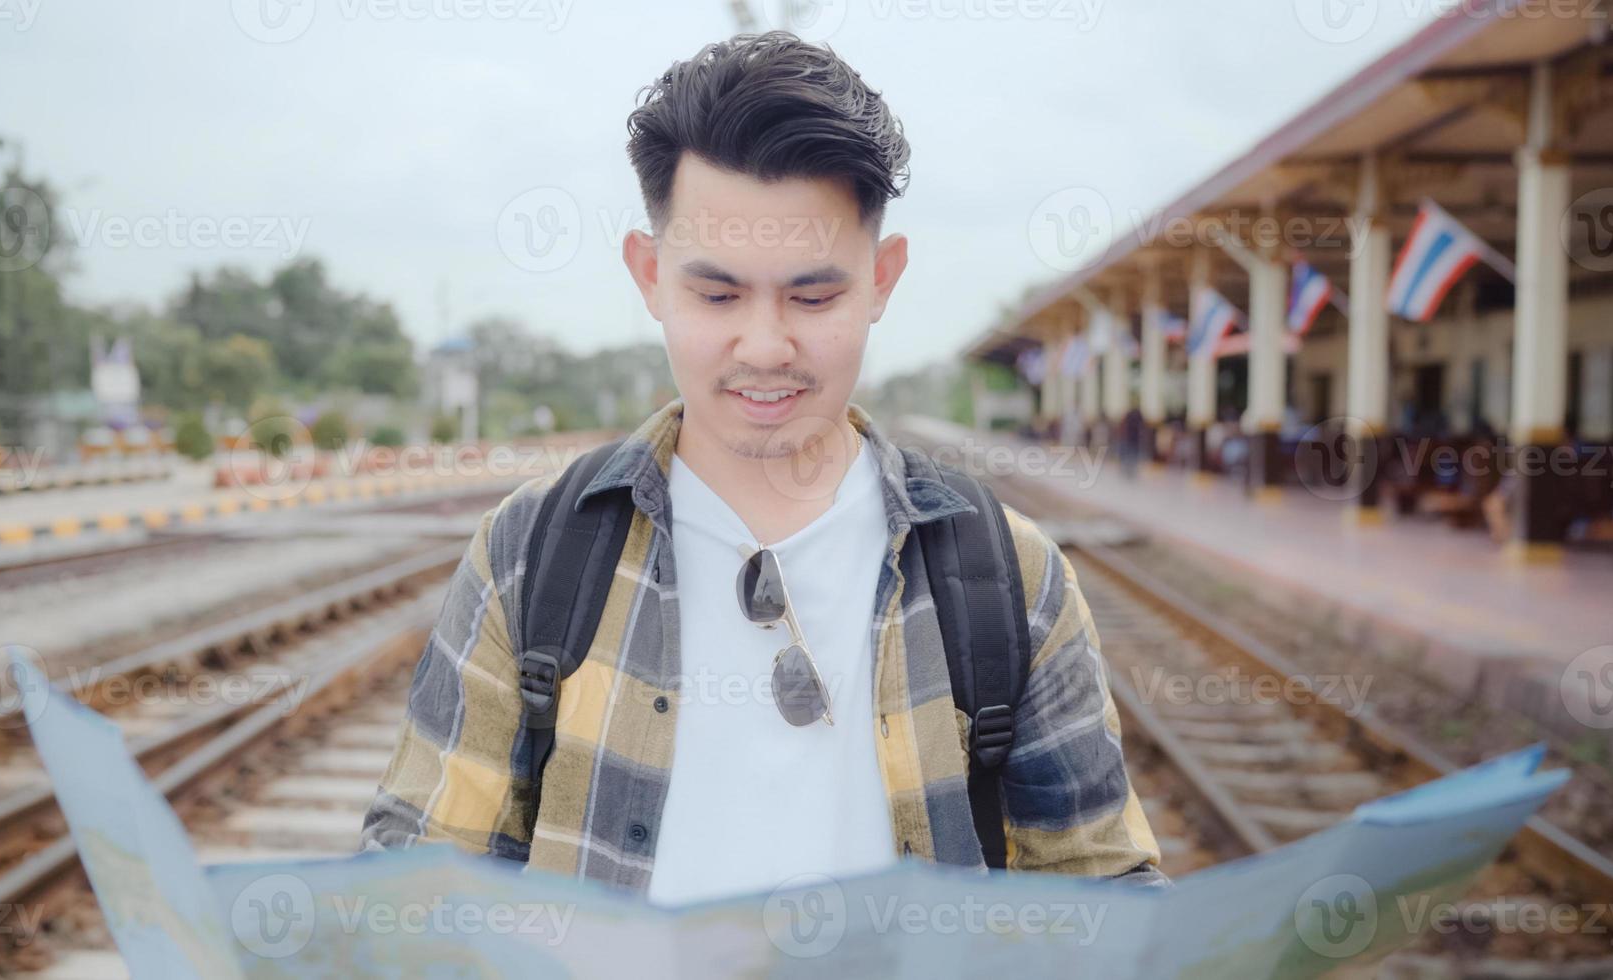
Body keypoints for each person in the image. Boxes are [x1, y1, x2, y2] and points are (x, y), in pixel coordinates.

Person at [361, 31, 1165, 904]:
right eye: (717, 295)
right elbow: (417, 889)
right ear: (650, 274)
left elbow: (1105, 902)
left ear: (882, 279)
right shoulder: (532, 551)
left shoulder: (1010, 576)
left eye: (814, 297)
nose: (766, 345)